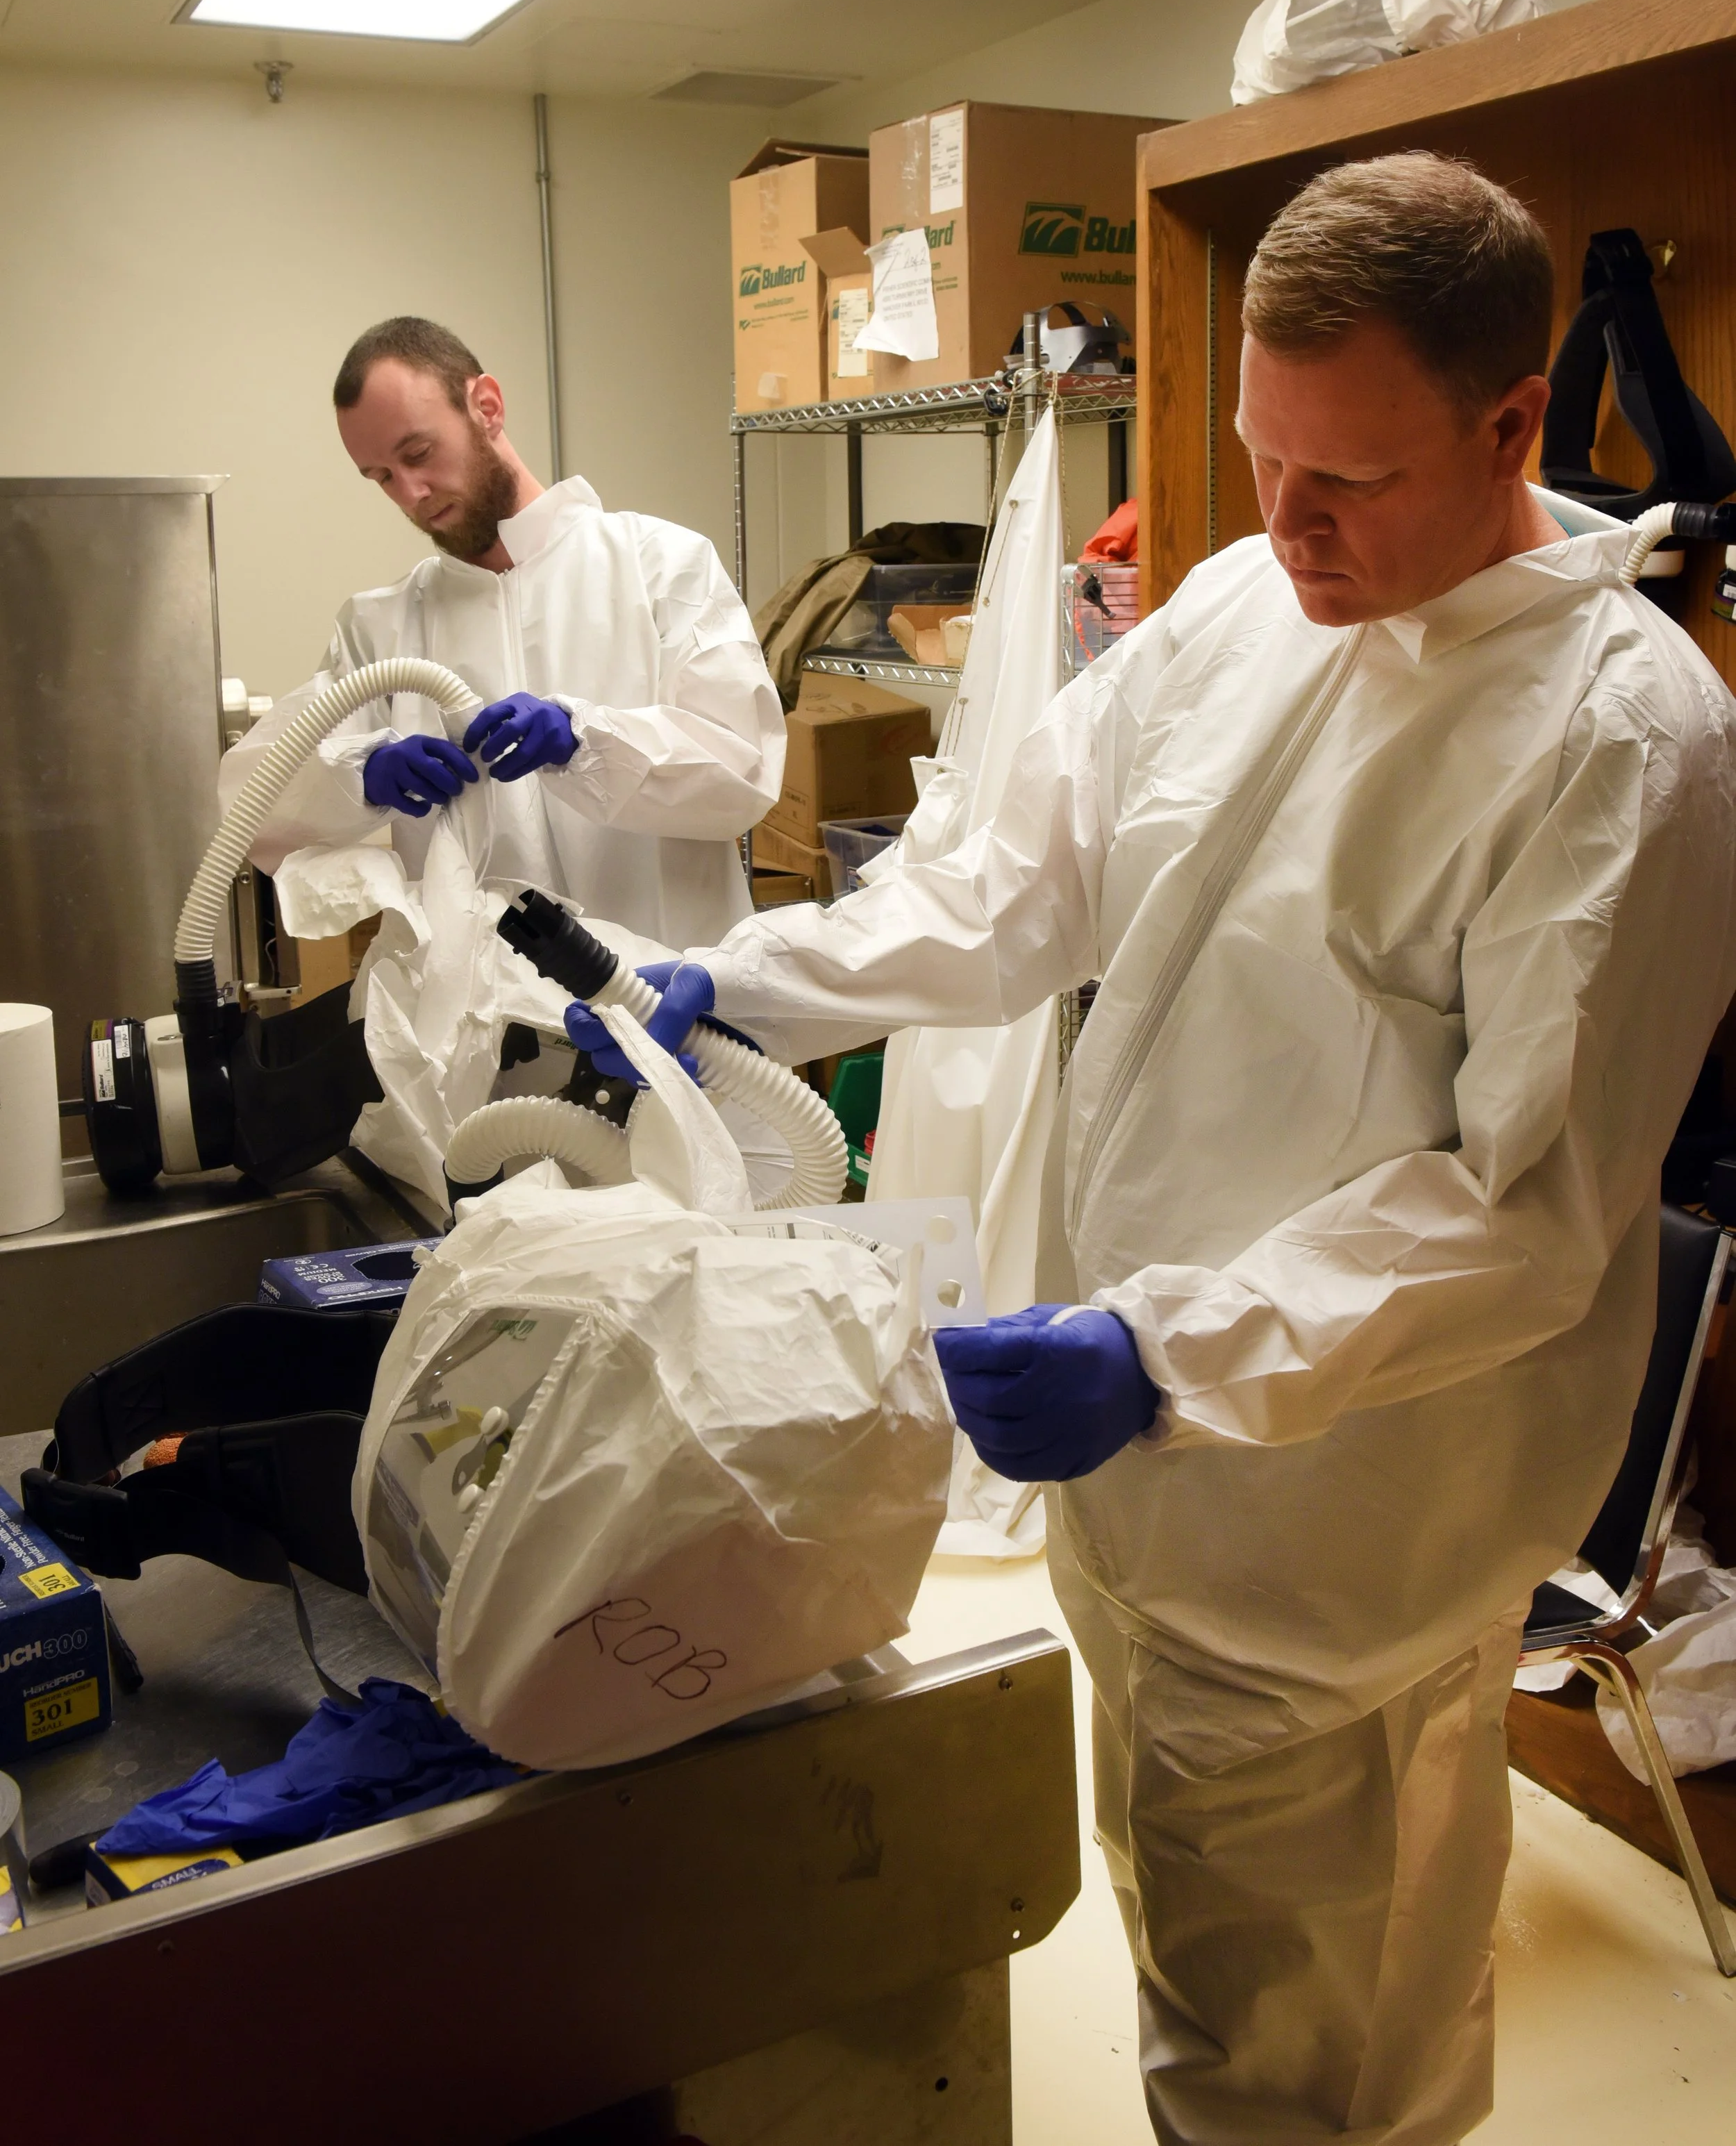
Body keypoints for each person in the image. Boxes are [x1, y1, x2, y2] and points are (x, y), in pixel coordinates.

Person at [570, 155, 1736, 2145]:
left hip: (1345, 1544)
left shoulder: (1617, 741)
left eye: (1344, 478)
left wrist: (1168, 1354)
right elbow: (1015, 883)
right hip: (1162, 1510)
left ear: (1512, 422)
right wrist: (760, 983)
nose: (1283, 521)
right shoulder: (1241, 603)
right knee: (1255, 1991)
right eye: (1257, 455)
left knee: (1305, 2059)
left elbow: (1523, 1212)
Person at [224, 316, 783, 947]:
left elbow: (747, 774)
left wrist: (588, 740)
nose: (411, 493)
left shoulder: (660, 565)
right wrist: (361, 774)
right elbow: (255, 810)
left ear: (485, 406)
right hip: (494, 1027)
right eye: (381, 477)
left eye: (417, 453)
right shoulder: (380, 629)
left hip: (671, 1002)